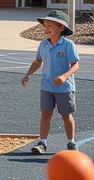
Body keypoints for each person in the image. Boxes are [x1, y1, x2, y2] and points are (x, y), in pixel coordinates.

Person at [21, 9, 80, 155]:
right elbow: (38, 61)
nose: (46, 29)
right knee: (45, 114)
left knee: (66, 115)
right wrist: (28, 74)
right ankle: (42, 143)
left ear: (61, 28)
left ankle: (71, 142)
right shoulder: (43, 44)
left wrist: (64, 77)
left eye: (50, 25)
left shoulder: (68, 45)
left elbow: (75, 65)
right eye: (45, 26)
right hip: (46, 86)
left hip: (64, 88)